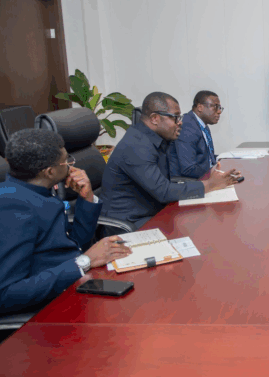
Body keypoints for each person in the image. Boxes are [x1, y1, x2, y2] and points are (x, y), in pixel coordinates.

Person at [0, 129, 132, 315]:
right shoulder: (13, 208)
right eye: (66, 160)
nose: (71, 164)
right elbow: (6, 294)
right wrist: (84, 262)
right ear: (50, 171)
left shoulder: (37, 190)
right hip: (49, 309)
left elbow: (74, 244)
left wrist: (87, 198)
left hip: (73, 282)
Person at [100, 92, 241, 230]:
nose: (180, 122)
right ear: (155, 118)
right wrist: (209, 184)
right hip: (129, 223)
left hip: (152, 211)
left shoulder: (155, 139)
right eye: (175, 118)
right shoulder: (136, 146)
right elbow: (163, 191)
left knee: (204, 223)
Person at [169, 90, 223, 179]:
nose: (219, 111)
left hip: (202, 175)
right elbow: (188, 169)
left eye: (220, 107)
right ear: (200, 107)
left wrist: (225, 158)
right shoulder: (187, 126)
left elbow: (206, 157)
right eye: (215, 107)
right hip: (188, 181)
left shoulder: (202, 125)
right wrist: (215, 172)